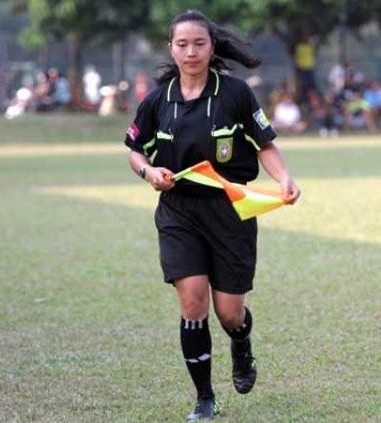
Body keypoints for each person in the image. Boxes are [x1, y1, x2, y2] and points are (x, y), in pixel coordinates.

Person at [123, 10, 300, 421]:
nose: (190, 52)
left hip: (229, 211)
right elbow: (134, 150)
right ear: (171, 48)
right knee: (192, 302)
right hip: (178, 212)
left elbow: (264, 145)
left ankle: (241, 344)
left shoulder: (235, 94)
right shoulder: (157, 100)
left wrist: (285, 178)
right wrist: (149, 171)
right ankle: (204, 399)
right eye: (182, 44)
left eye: (199, 43)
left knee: (229, 313)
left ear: (212, 46)